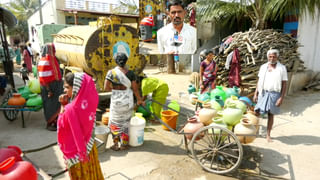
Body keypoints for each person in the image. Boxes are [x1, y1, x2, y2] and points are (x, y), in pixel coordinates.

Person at [58, 72, 104, 180]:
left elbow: (61, 125)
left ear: (76, 88)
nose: (65, 90)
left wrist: (63, 105)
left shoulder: (70, 109)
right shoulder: (90, 103)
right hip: (89, 147)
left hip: (77, 154)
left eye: (67, 87)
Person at [104, 52, 143, 151]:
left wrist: (116, 91)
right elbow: (135, 89)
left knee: (115, 122)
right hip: (127, 102)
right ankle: (124, 144)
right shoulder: (130, 73)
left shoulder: (111, 73)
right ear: (126, 61)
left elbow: (106, 88)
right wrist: (139, 100)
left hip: (116, 103)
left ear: (116, 61)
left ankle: (116, 144)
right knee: (126, 123)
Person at [254, 49, 288, 142]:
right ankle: (255, 131)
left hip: (274, 94)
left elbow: (284, 84)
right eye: (270, 56)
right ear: (268, 57)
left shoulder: (282, 68)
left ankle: (268, 135)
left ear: (277, 57)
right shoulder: (263, 67)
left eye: (274, 56)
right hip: (263, 92)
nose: (272, 58)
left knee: (270, 114)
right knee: (257, 112)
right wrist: (255, 93)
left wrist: (281, 98)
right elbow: (259, 81)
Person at [37, 43, 63, 131]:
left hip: (56, 88)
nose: (54, 51)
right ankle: (49, 123)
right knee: (49, 106)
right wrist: (49, 91)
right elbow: (44, 79)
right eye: (52, 49)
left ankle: (55, 122)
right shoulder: (45, 61)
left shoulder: (53, 59)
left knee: (56, 105)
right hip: (50, 89)